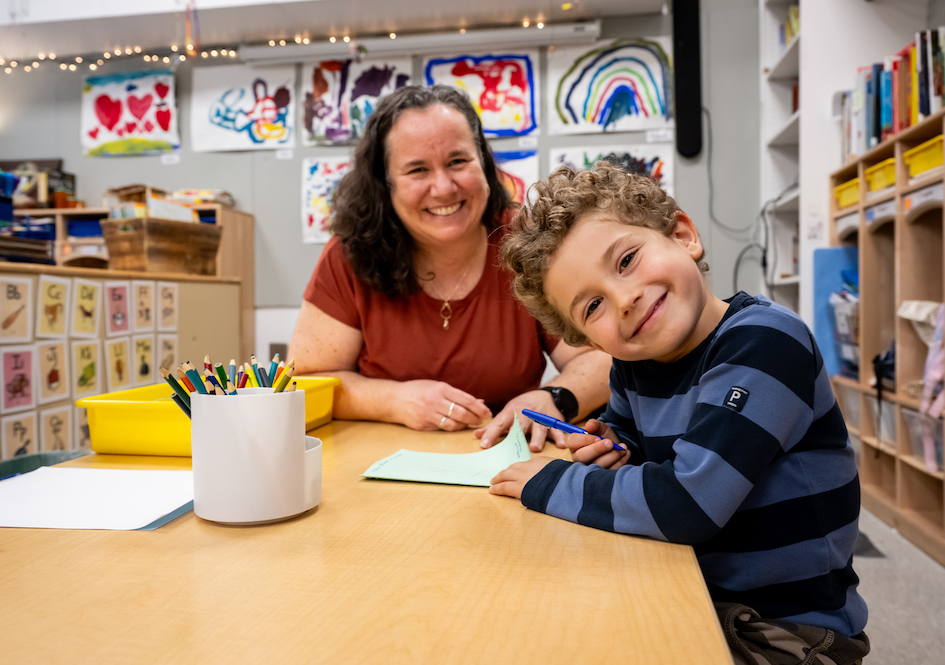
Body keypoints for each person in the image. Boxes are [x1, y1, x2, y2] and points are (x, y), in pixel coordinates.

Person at [490, 163, 870, 664]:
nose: (624, 299)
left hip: (789, 629)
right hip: (691, 585)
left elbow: (689, 503)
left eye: (626, 260)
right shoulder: (634, 365)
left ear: (683, 235)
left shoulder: (766, 343)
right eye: (593, 307)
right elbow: (636, 450)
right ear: (585, 340)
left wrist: (552, 483)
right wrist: (611, 446)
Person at [288, 85, 611, 450]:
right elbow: (306, 382)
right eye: (417, 170)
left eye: (458, 161)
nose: (443, 187)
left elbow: (602, 356)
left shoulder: (529, 241)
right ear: (385, 185)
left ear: (484, 165)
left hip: (505, 459)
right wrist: (394, 401)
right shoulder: (349, 254)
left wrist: (556, 397)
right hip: (375, 464)